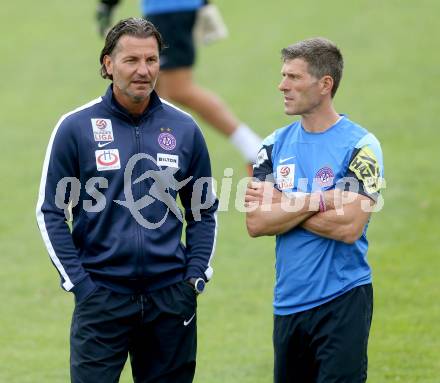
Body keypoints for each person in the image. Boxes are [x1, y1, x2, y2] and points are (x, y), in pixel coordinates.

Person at [36, 17, 218, 383]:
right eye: (131, 60)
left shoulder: (184, 128)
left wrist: (193, 279)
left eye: (151, 60)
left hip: (170, 301)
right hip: (102, 299)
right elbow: (51, 212)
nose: (143, 70)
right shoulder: (75, 127)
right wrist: (81, 285)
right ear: (108, 64)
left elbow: (203, 211)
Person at [245, 38, 384, 382]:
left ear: (325, 85)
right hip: (288, 304)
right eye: (283, 76)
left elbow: (348, 227)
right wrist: (320, 199)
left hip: (343, 299)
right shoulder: (272, 145)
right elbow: (257, 221)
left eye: (293, 77)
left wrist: (283, 202)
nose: (282, 86)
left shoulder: (361, 145)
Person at [96, 0, 262, 173]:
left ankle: (253, 146)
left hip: (168, 11)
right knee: (153, 93)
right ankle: (144, 160)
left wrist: (107, 4)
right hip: (172, 10)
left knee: (177, 88)